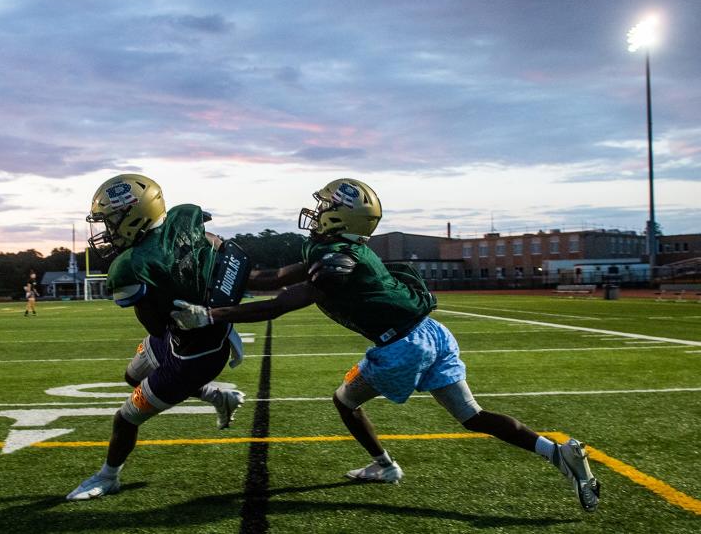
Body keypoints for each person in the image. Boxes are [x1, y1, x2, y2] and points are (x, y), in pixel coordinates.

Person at [171, 178, 600, 513]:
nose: (318, 212)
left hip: (401, 348)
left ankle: (385, 465)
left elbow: (280, 304)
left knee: (344, 400)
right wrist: (222, 254)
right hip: (432, 334)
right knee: (472, 416)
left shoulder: (336, 262)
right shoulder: (341, 250)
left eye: (326, 207)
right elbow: (274, 278)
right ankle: (555, 452)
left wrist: (212, 316)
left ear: (342, 217)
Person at [66, 173, 246, 501]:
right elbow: (220, 248)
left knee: (125, 418)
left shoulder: (130, 267)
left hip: (191, 356)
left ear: (133, 216)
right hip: (195, 336)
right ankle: (218, 397)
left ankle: (108, 477)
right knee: (131, 375)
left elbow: (155, 327)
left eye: (110, 221)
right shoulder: (183, 220)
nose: (107, 230)